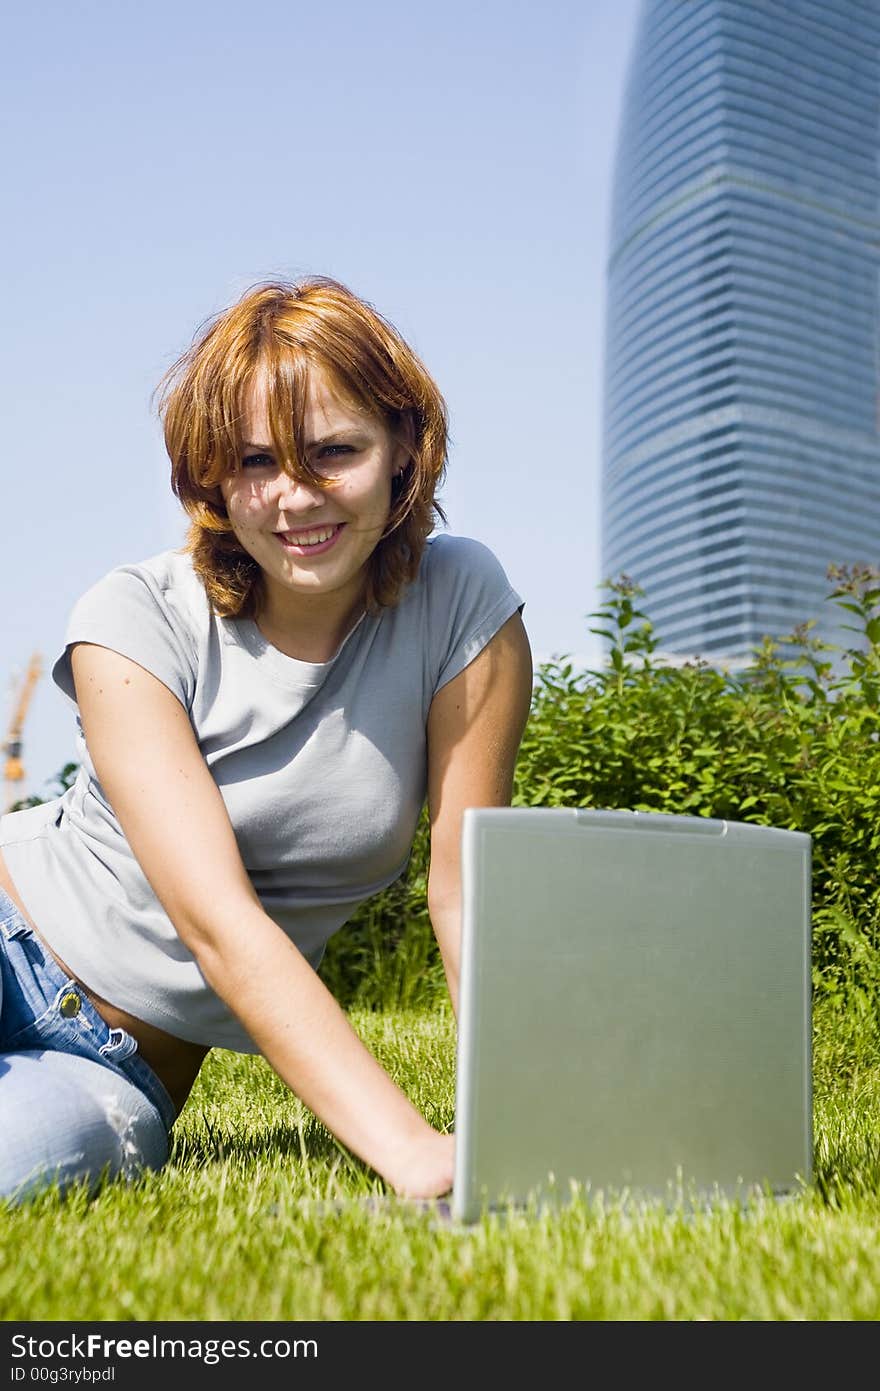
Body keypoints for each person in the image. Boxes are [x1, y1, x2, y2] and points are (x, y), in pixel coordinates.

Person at [0, 276, 533, 1204]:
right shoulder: (134, 617)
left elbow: (465, 890)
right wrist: (407, 1147)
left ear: (405, 447)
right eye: (255, 462)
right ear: (210, 474)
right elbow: (217, 921)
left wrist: (529, 1117)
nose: (294, 499)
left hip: (118, 1062)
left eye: (334, 451)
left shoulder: (461, 604)